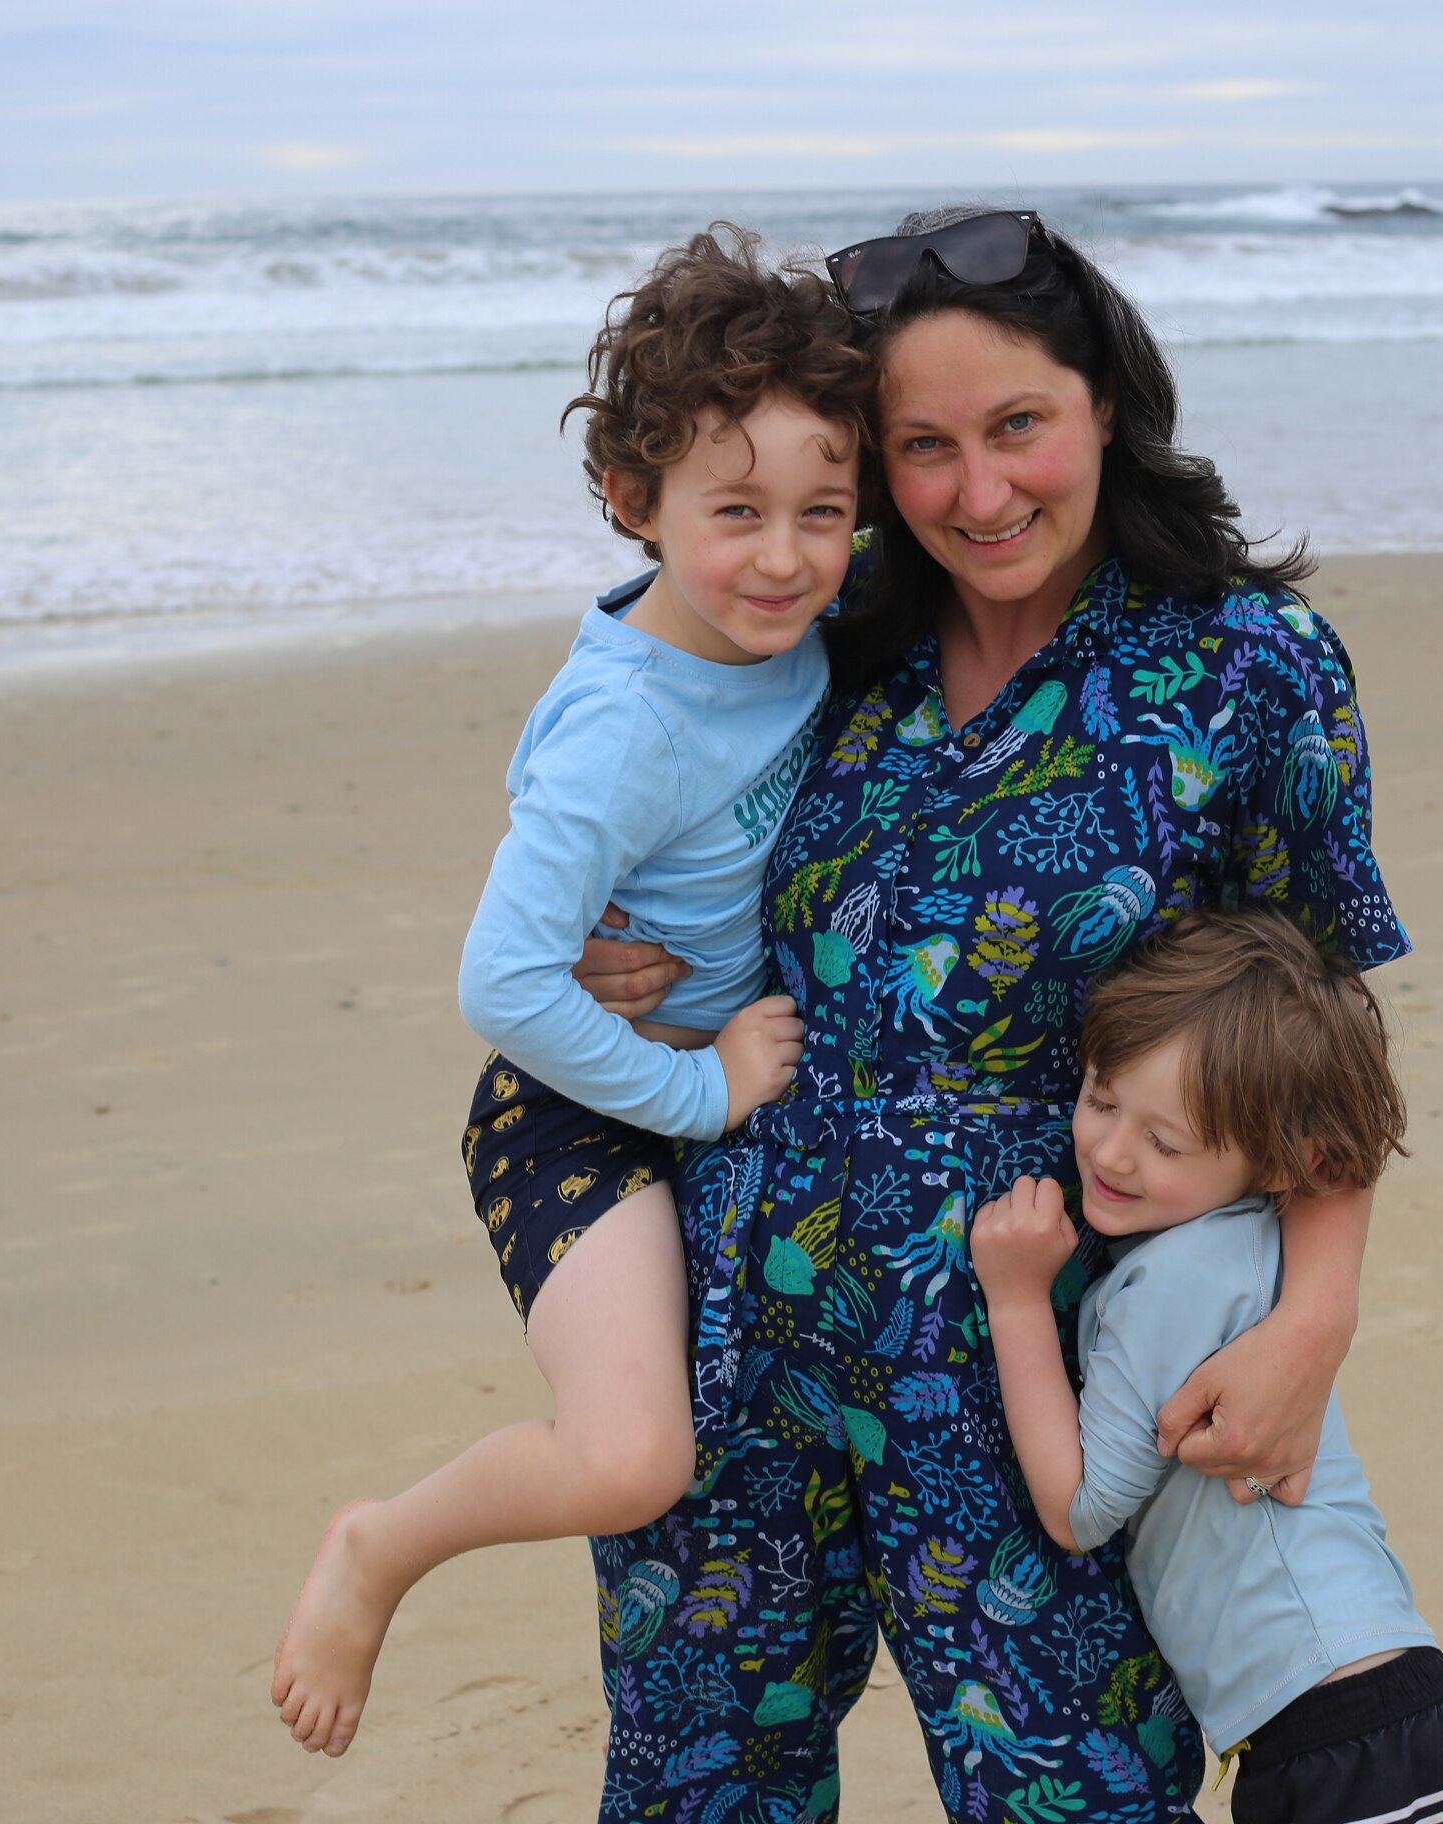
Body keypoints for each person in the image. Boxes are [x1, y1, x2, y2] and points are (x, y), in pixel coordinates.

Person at [560, 205, 1413, 1820]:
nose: (979, 490)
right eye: (923, 447)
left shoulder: (1245, 670)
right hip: (739, 1339)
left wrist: (1314, 1317)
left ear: (1104, 403)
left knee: (1073, 1797)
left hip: (1031, 1382)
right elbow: (630, 747)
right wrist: (627, 948)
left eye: (1017, 425)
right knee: (690, 1788)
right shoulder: (818, 626)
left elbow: (1325, 1040)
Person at [268, 227, 868, 1758]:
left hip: (682, 1093)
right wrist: (700, 1090)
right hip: (576, 1113)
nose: (787, 556)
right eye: (735, 512)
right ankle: (379, 1545)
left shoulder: (793, 632)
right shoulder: (624, 726)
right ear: (632, 502)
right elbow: (505, 980)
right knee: (628, 1462)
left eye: (824, 510)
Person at [971, 908, 1443, 1824]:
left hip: (1337, 1737)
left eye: (1164, 1143)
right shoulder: (1256, 1250)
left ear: (1277, 1163)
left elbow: (1080, 1510)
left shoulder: (1170, 1284)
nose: (1109, 1151)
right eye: (1100, 1098)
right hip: (1393, 1708)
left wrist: (1017, 1301)